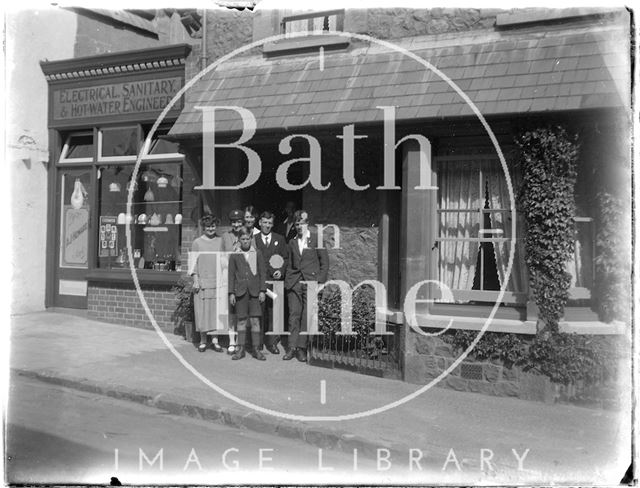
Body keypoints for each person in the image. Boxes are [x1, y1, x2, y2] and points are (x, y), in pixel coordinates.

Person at [283, 210, 329, 362]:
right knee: (294, 315)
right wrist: (288, 281)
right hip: (295, 283)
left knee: (306, 316)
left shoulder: (316, 239)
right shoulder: (292, 242)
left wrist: (321, 282)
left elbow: (324, 262)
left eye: (302, 223)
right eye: (297, 224)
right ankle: (291, 347)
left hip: (310, 282)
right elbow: (290, 263)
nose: (299, 226)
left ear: (307, 223)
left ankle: (302, 348)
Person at [228, 227, 267, 360]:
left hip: (255, 292)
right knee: (241, 320)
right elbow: (231, 275)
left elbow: (262, 273)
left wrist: (262, 290)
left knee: (255, 320)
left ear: (251, 239)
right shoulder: (234, 255)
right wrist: (231, 293)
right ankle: (241, 349)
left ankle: (256, 349)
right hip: (240, 292)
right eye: (243, 239)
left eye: (247, 238)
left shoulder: (258, 253)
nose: (245, 241)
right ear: (239, 240)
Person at [254, 211, 288, 355]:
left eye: (269, 223)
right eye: (264, 222)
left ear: (272, 224)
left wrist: (280, 270)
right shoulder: (254, 239)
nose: (267, 225)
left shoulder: (279, 239)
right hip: (260, 282)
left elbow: (285, 258)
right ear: (260, 223)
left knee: (274, 313)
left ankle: (272, 343)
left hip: (275, 282)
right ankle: (259, 342)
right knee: (260, 312)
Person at [190, 214, 224, 353]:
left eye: (213, 226)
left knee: (215, 312)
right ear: (204, 227)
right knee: (202, 313)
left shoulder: (220, 241)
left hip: (217, 282)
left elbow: (224, 261)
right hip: (202, 283)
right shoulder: (197, 242)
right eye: (208, 226)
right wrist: (196, 280)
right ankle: (203, 341)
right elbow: (193, 264)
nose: (211, 228)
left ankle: (215, 341)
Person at [221, 209, 245, 355]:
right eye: (234, 222)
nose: (236, 224)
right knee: (231, 310)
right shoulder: (225, 236)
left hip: (242, 278)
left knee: (241, 311)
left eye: (239, 221)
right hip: (229, 277)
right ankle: (231, 341)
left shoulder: (247, 235)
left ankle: (241, 341)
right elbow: (221, 257)